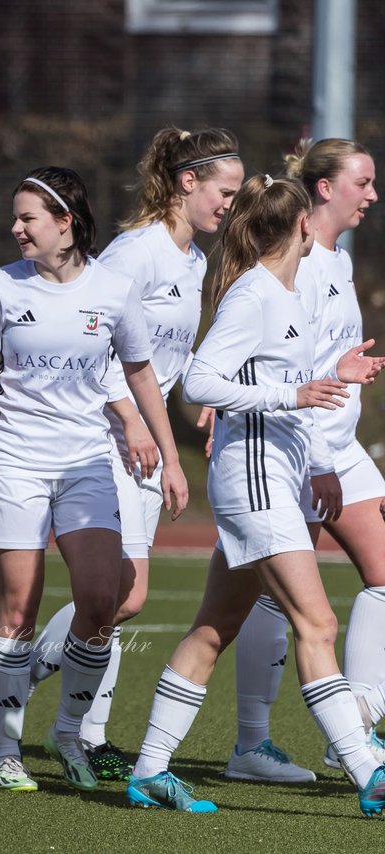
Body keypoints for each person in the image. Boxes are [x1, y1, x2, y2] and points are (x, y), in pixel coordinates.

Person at [125, 173, 385, 815]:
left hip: (280, 476)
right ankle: (367, 774)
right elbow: (200, 384)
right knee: (317, 622)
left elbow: (292, 385)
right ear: (301, 225)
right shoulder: (254, 295)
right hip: (257, 482)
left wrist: (330, 380)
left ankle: (150, 770)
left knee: (215, 628)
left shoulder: (286, 295)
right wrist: (290, 394)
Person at [0, 166, 189, 795]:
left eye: (29, 217)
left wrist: (171, 456)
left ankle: (69, 733)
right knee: (18, 613)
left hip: (87, 463)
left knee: (102, 602)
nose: (16, 228)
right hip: (15, 463)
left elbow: (139, 376)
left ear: (66, 222)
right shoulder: (0, 286)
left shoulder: (112, 289)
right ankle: (6, 751)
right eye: (15, 216)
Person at [23, 129, 243, 781]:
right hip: (102, 437)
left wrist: (199, 399)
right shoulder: (135, 254)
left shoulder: (194, 260)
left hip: (144, 441)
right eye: (222, 191)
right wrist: (129, 418)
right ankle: (82, 734)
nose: (228, 204)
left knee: (125, 598)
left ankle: (28, 681)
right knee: (117, 593)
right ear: (186, 182)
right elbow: (94, 339)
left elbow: (161, 359)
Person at [226, 138, 385, 780]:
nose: (372, 195)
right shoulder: (301, 266)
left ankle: (359, 720)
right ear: (325, 189)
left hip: (338, 445)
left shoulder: (337, 261)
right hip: (299, 450)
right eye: (363, 182)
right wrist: (317, 455)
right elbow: (285, 366)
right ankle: (253, 744)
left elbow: (326, 361)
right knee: (267, 600)